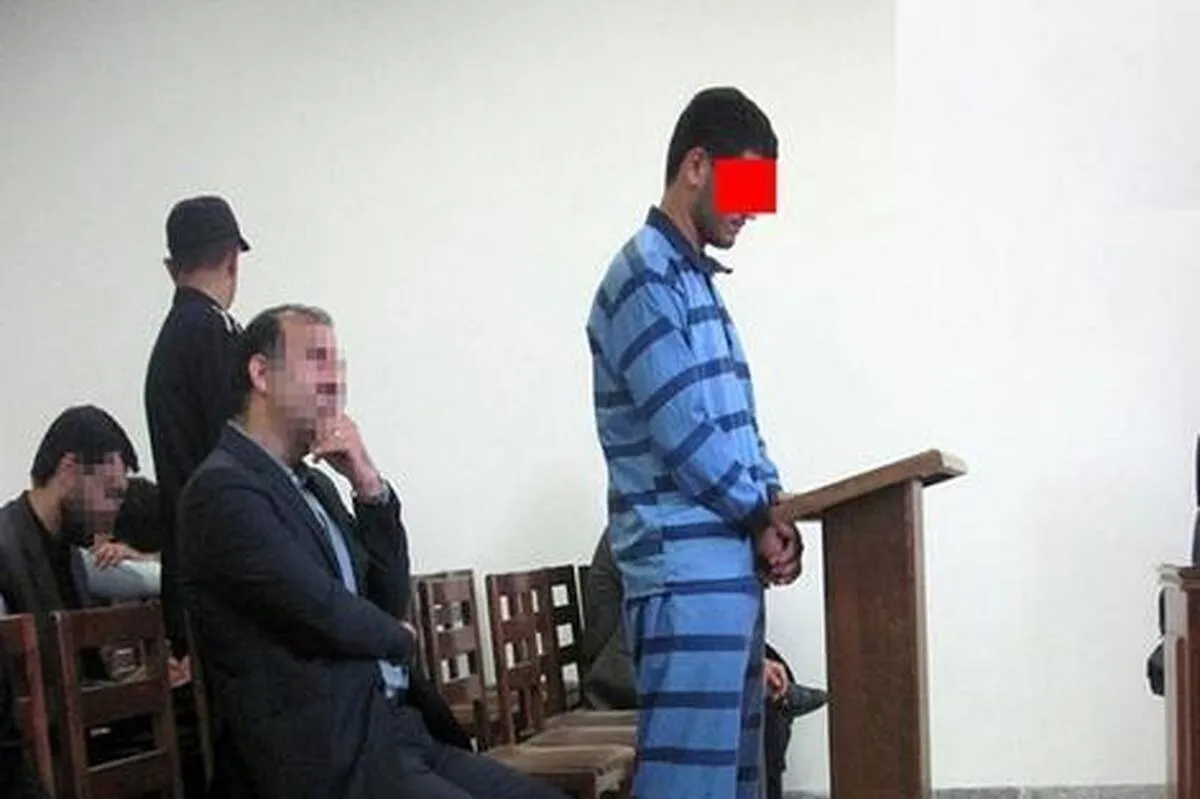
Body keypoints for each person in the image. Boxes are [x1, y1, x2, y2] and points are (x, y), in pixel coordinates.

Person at [177, 304, 567, 799]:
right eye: (317, 360)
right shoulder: (222, 490)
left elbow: (387, 595)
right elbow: (317, 607)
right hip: (323, 753)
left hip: (391, 729)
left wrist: (367, 484)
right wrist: (397, 638)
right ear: (261, 374)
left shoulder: (316, 486)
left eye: (338, 365)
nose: (335, 380)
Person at [584, 86, 802, 798]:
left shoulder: (699, 285)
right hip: (683, 578)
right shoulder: (643, 276)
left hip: (726, 574)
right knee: (687, 789)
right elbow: (687, 437)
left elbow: (740, 426)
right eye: (746, 187)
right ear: (697, 166)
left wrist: (775, 506)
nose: (752, 210)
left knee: (732, 785)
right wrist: (759, 514)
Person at [580, 531, 826, 799]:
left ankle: (780, 697)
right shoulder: (649, 530)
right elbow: (675, 619)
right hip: (618, 671)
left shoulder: (664, 525)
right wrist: (743, 666)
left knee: (766, 671)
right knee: (758, 699)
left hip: (647, 649)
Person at [144, 194, 250, 659]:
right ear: (232, 260)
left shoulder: (173, 337)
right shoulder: (216, 334)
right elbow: (242, 455)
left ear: (172, 267)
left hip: (192, 567)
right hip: (229, 577)